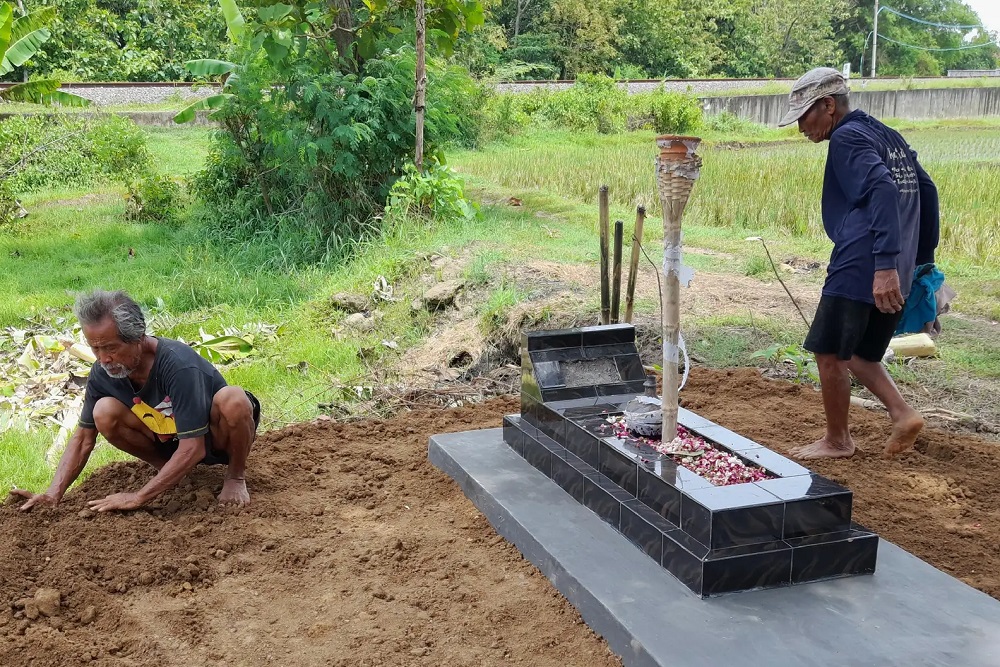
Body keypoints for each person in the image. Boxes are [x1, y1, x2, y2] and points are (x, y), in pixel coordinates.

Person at [777, 67, 940, 460]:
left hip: (862, 262)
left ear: (828, 106)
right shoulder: (886, 134)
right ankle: (902, 415)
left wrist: (884, 266)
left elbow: (882, 186)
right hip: (893, 261)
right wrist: (920, 262)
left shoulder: (847, 137)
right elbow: (927, 189)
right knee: (862, 354)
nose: (800, 127)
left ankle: (838, 440)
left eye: (804, 116)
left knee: (830, 350)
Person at [11, 290, 261, 511]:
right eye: (95, 349)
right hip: (169, 439)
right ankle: (168, 470)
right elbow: (83, 438)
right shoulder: (103, 372)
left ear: (138, 338)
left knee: (234, 399)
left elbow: (194, 446)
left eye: (110, 348)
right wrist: (53, 493)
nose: (103, 359)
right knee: (104, 412)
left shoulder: (178, 365)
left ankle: (236, 477)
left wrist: (138, 497)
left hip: (214, 439)